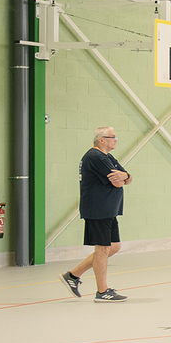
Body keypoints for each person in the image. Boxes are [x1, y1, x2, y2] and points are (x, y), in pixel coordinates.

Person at [62, 126, 132, 301]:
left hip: (109, 209)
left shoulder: (108, 157)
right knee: (103, 248)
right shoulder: (95, 157)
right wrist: (123, 177)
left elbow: (128, 178)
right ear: (101, 140)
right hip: (98, 208)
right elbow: (118, 182)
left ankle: (72, 275)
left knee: (114, 246)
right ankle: (102, 291)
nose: (116, 139)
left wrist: (125, 175)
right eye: (112, 137)